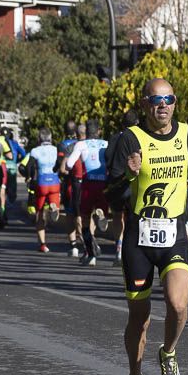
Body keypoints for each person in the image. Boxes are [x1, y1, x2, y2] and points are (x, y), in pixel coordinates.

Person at [106, 78, 188, 375]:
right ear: (145, 104)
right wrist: (129, 176)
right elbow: (112, 193)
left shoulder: (186, 132)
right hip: (139, 238)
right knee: (141, 318)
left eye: (168, 99)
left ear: (175, 103)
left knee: (178, 305)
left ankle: (168, 353)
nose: (163, 105)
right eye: (156, 100)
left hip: (174, 234)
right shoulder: (130, 139)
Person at [60, 119, 111, 265]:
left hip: (88, 184)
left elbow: (69, 165)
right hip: (103, 184)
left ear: (86, 132)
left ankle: (91, 256)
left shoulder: (81, 144)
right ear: (99, 131)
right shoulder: (105, 144)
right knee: (100, 209)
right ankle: (102, 214)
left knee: (85, 219)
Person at [21, 127, 62, 251]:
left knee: (39, 214)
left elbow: (29, 166)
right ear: (51, 138)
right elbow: (61, 163)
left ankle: (43, 244)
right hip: (55, 181)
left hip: (42, 182)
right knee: (55, 203)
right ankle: (53, 207)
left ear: (39, 139)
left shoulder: (35, 151)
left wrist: (28, 177)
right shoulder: (56, 149)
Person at [105, 109, 139, 262]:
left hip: (115, 184)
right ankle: (132, 250)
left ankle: (119, 247)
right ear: (137, 123)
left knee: (118, 216)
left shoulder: (114, 138)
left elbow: (107, 157)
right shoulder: (137, 138)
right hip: (131, 183)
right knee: (134, 218)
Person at [57, 120, 85, 258]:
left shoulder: (63, 145)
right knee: (83, 214)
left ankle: (73, 245)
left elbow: (61, 167)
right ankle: (86, 242)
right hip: (88, 185)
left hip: (71, 184)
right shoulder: (92, 145)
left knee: (70, 214)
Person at [5, 129, 26, 206]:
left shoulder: (1, 143)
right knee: (12, 184)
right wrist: (17, 160)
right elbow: (23, 153)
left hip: (2, 165)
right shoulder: (14, 143)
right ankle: (11, 199)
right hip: (12, 166)